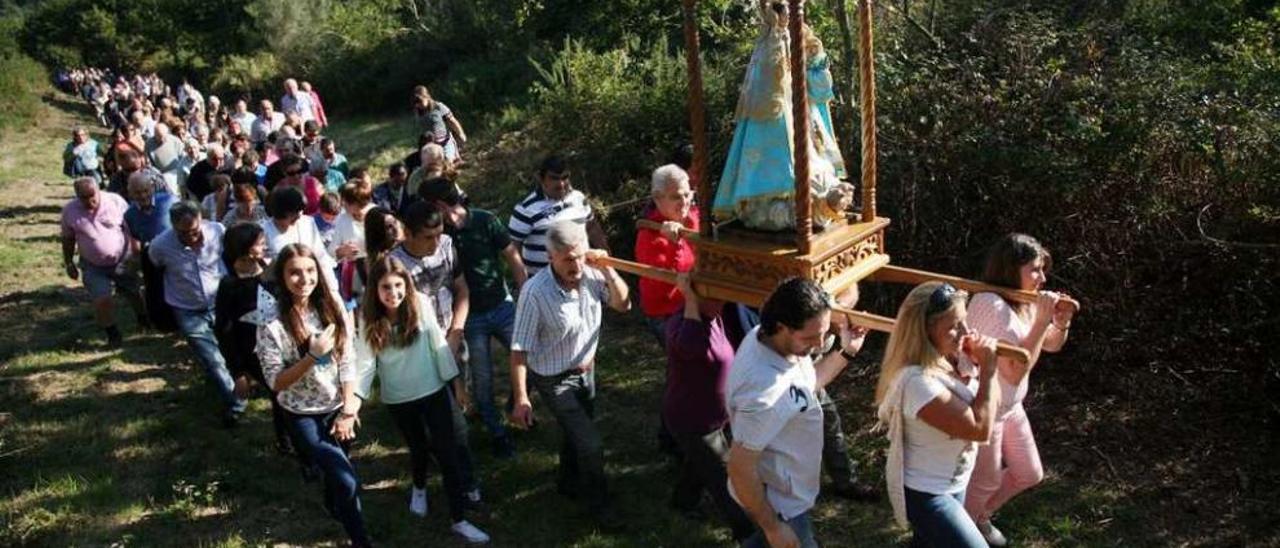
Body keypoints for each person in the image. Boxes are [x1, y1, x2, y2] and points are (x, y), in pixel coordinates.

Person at [350, 257, 490, 543]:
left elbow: (439, 347)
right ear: (374, 290)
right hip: (399, 398)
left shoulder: (421, 304)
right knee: (419, 448)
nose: (394, 293)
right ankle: (419, 487)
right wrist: (353, 403)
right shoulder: (368, 318)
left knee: (448, 451)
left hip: (434, 391)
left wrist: (457, 385)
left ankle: (459, 518)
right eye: (386, 287)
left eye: (399, 286)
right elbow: (364, 365)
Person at [725, 277, 868, 548]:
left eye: (824, 333)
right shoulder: (763, 395)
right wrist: (773, 526)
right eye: (811, 337)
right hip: (778, 503)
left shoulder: (768, 339)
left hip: (788, 494)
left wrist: (846, 350)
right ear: (782, 327)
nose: (819, 344)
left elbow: (805, 387)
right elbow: (740, 468)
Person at [508, 221, 630, 525]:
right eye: (567, 259)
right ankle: (600, 506)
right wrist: (522, 398)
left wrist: (608, 270)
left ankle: (567, 482)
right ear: (551, 258)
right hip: (552, 378)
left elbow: (623, 304)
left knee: (576, 430)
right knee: (590, 444)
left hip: (585, 371)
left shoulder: (591, 274)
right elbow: (519, 349)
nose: (575, 265)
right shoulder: (535, 293)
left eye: (578, 256)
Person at [962, 234, 1077, 546]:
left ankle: (974, 519)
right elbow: (1014, 371)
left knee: (1029, 473)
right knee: (984, 481)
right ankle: (960, 533)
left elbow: (1049, 345)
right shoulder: (989, 303)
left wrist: (1059, 323)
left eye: (1043, 270)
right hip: (986, 408)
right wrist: (1042, 321)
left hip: (1011, 406)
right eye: (1035, 270)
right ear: (1011, 269)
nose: (1043, 278)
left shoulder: (1022, 300)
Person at [256, 243, 370, 547]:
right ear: (282, 277)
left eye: (309, 271)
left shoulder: (332, 307)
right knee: (347, 479)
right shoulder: (271, 323)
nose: (304, 279)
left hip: (337, 407)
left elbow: (348, 361)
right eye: (294, 272)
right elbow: (275, 382)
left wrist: (348, 411)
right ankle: (362, 541)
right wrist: (312, 357)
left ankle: (334, 504)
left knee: (339, 475)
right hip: (300, 413)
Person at [874, 282, 1001, 548]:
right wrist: (988, 370)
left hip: (956, 481)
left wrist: (980, 366)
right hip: (927, 493)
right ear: (924, 331)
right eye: (954, 326)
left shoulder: (954, 359)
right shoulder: (917, 382)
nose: (966, 332)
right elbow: (980, 429)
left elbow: (992, 407)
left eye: (964, 321)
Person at [711, 0, 853, 231]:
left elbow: (819, 89)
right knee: (783, 179)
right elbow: (768, 88)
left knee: (816, 168)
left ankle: (826, 202)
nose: (787, 11)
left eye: (788, 6)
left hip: (802, 117)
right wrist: (779, 40)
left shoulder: (804, 39)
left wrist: (814, 57)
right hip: (775, 122)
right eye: (780, 6)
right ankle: (811, 206)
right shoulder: (769, 43)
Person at [421, 178, 527, 457]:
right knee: (483, 380)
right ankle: (498, 433)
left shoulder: (485, 220)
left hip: (503, 307)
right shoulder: (439, 237)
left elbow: (513, 258)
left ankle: (518, 403)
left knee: (529, 360)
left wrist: (525, 300)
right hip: (471, 317)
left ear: (440, 205)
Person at [387, 202, 485, 501]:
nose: (436, 242)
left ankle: (458, 474)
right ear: (408, 234)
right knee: (446, 426)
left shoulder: (446, 246)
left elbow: (462, 290)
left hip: (452, 341)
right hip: (417, 353)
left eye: (439, 234)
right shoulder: (393, 265)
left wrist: (456, 332)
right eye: (428, 237)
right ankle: (463, 483)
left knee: (457, 419)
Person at [663, 273, 755, 541]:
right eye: (713, 296)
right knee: (725, 478)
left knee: (699, 463)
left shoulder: (716, 317)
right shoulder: (682, 326)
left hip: (714, 416)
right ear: (696, 297)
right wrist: (691, 298)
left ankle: (683, 501)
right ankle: (748, 533)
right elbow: (692, 345)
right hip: (692, 420)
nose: (722, 301)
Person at [148, 201, 247, 425]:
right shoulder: (160, 246)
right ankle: (237, 403)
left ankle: (241, 384)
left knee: (232, 350)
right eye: (185, 233)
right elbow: (153, 273)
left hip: (221, 303)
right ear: (173, 227)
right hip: (187, 309)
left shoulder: (217, 231)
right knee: (212, 359)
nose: (192, 236)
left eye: (195, 230)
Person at [213, 223, 297, 458]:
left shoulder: (270, 272)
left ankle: (293, 437)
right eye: (259, 243)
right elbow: (224, 330)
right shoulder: (230, 286)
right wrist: (238, 371)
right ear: (246, 249)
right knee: (281, 392)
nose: (264, 246)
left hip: (284, 345)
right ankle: (287, 442)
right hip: (254, 353)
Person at [61, 177, 145, 347]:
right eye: (83, 197)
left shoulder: (114, 201)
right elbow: (68, 239)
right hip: (93, 265)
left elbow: (132, 227)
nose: (89, 201)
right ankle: (112, 333)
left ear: (99, 190)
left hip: (123, 259)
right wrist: (69, 262)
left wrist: (136, 253)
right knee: (102, 299)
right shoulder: (70, 211)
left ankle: (143, 319)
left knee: (134, 293)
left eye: (92, 196)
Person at [507, 154, 608, 275]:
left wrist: (608, 263)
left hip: (582, 274)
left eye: (565, 177)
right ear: (540, 178)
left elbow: (593, 230)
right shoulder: (525, 209)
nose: (561, 184)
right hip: (543, 282)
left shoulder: (578, 198)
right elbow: (513, 250)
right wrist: (523, 284)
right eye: (554, 178)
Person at [635, 164, 700, 345]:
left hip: (698, 304)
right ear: (657, 198)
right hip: (669, 314)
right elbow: (664, 281)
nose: (684, 202)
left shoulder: (693, 217)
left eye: (687, 195)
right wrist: (674, 243)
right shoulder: (648, 233)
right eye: (675, 197)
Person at [411, 85, 466, 162]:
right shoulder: (418, 112)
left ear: (426, 97)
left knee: (447, 162)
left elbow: (452, 121)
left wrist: (461, 134)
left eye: (420, 101)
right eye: (416, 103)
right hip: (431, 146)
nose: (418, 105)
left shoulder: (439, 107)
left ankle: (454, 157)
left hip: (445, 142)